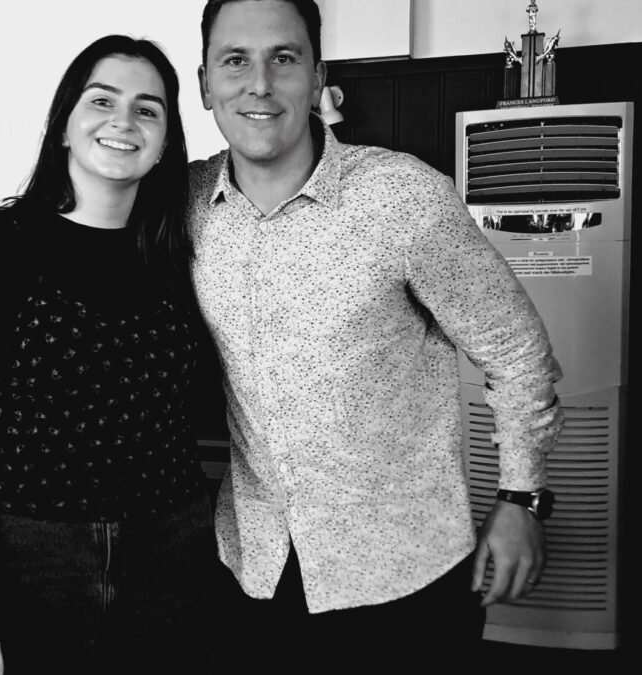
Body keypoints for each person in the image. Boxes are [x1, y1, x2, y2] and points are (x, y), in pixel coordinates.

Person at [188, 0, 565, 670]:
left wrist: (521, 497)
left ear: (317, 75)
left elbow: (515, 349)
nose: (260, 84)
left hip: (406, 575)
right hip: (255, 572)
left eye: (284, 58)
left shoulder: (402, 196)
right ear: (204, 84)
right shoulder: (186, 206)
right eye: (235, 60)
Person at [0, 34, 217, 675]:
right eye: (102, 100)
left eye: (147, 109)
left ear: (166, 142)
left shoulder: (181, 249)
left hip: (174, 553)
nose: (123, 121)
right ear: (63, 126)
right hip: (32, 557)